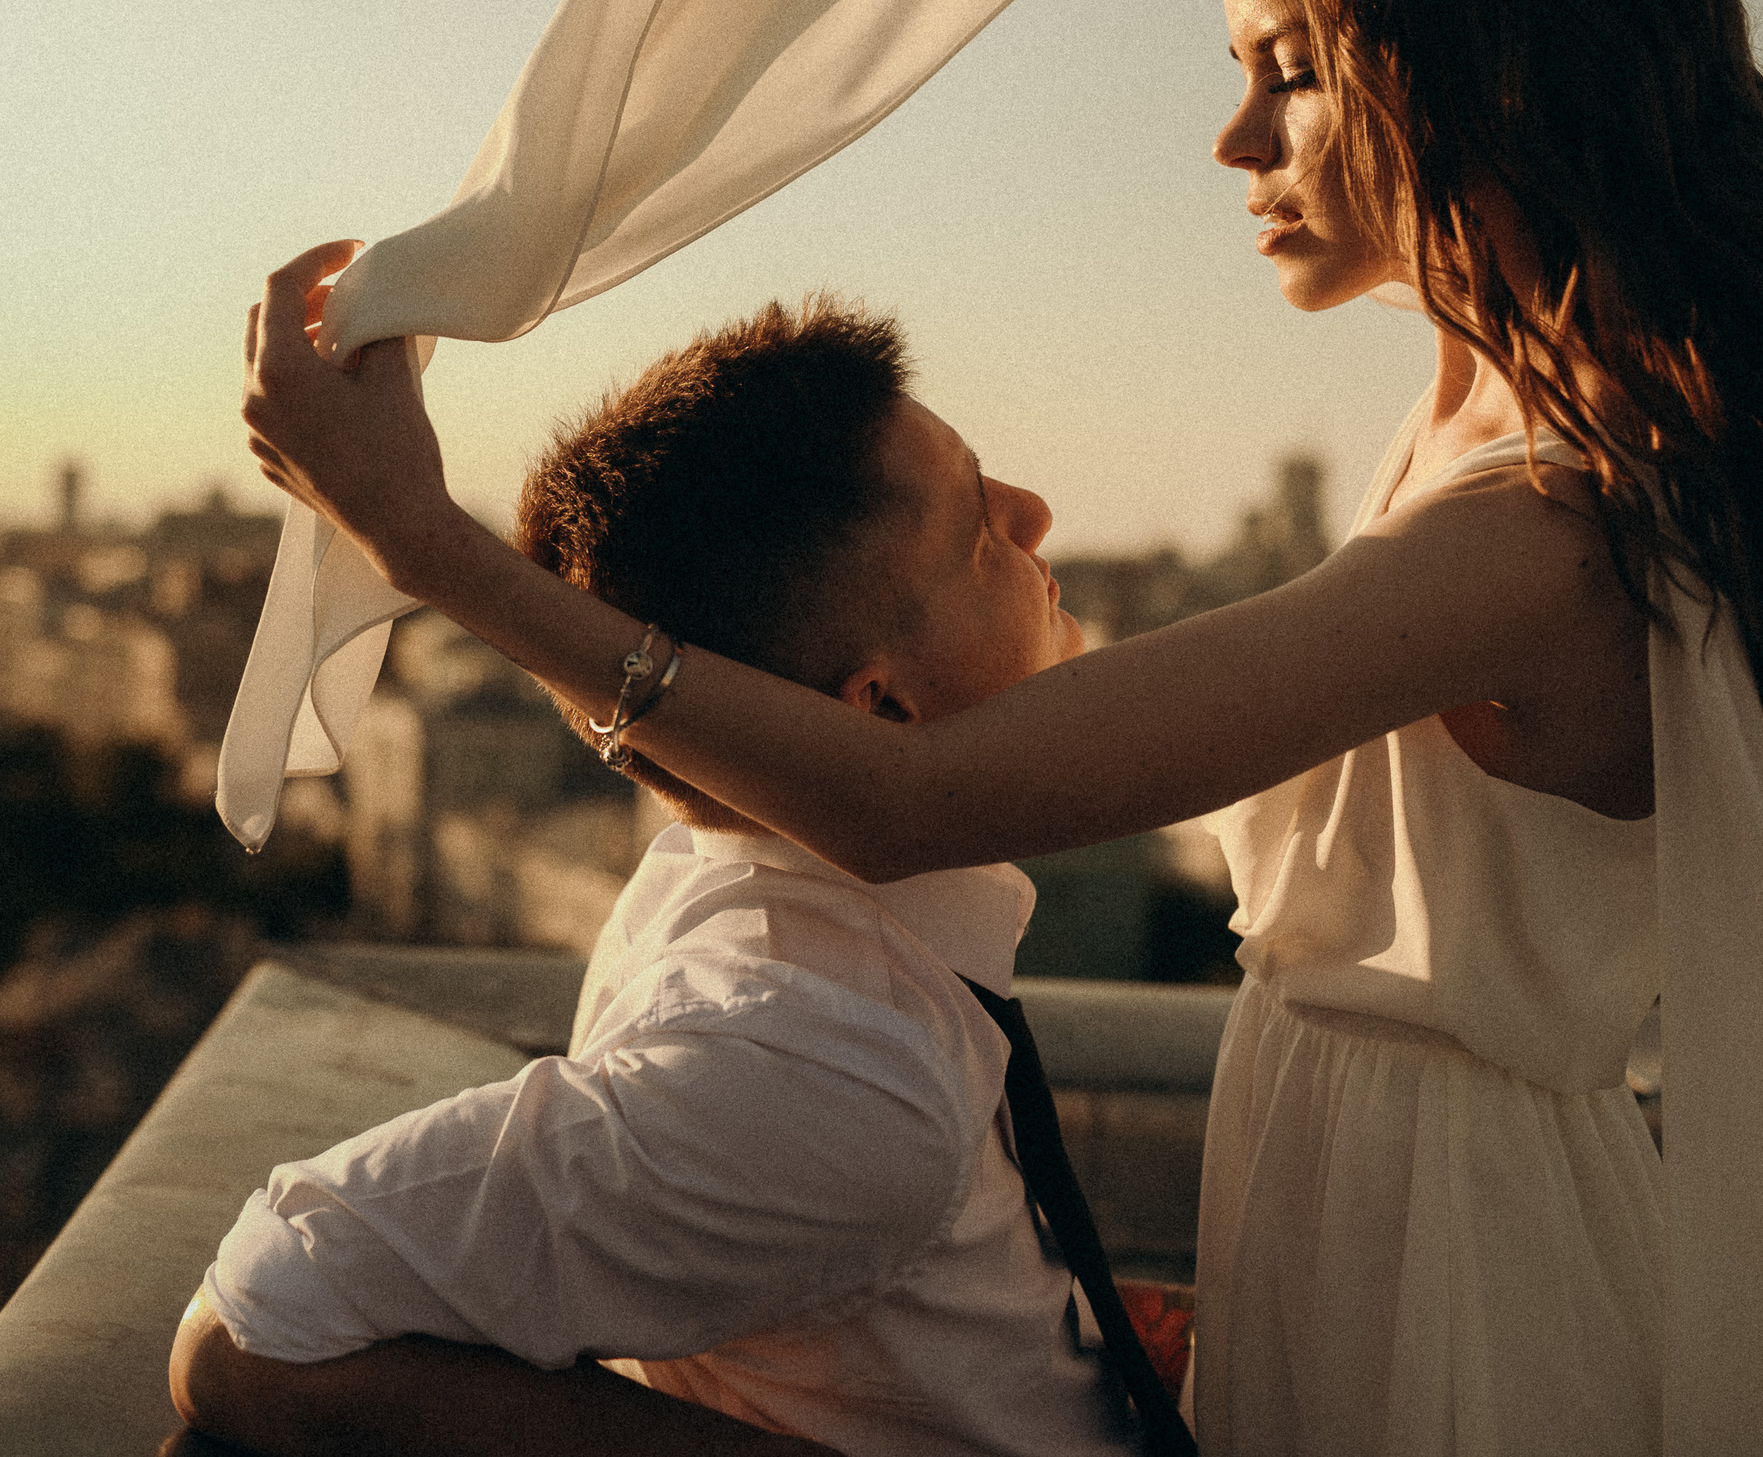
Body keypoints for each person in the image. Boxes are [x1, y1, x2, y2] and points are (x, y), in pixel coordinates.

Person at [236, 0, 1763, 1454]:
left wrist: (430, 549)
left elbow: (911, 802)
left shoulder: (1537, 529)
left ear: (1476, 69)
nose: (1235, 136)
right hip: (1362, 1187)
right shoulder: (1492, 398)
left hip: (1454, 1257)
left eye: (1293, 74)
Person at [176, 298, 1180, 1457]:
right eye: (977, 534)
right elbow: (258, 1321)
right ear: (878, 702)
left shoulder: (738, 889)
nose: (1036, 513)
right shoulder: (828, 1068)